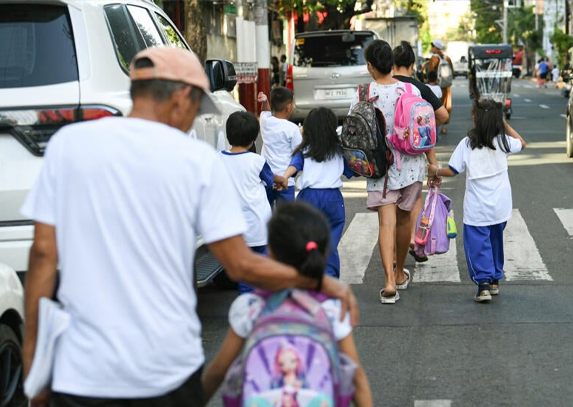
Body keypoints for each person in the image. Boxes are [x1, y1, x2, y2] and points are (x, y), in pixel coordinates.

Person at [20, 47, 357, 407]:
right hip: (165, 371)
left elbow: (42, 256)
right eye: (197, 106)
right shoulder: (196, 160)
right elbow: (241, 264)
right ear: (182, 97)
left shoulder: (69, 145)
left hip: (82, 374)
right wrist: (318, 284)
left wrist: (32, 363)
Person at [201, 202, 373, 407]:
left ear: (270, 252)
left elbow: (219, 371)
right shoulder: (332, 309)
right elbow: (357, 378)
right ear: (324, 252)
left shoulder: (250, 307)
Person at [428, 99, 526, 303]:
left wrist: (435, 170)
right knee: (495, 241)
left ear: (475, 118)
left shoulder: (467, 143)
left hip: (477, 208)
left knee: (477, 245)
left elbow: (453, 171)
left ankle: (483, 285)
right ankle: (495, 280)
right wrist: (505, 125)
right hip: (501, 206)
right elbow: (522, 143)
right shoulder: (503, 141)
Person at [350, 39, 424, 304]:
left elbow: (355, 130)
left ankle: (389, 282)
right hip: (411, 166)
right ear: (391, 64)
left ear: (370, 66)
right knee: (405, 221)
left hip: (380, 168)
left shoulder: (363, 93)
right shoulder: (408, 88)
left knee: (386, 223)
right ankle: (401, 273)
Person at [279, 107, 356, 279]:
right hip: (333, 199)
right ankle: (329, 280)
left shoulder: (304, 150)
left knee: (306, 241)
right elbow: (352, 172)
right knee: (329, 244)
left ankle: (307, 276)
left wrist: (284, 177)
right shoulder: (340, 150)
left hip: (308, 198)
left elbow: (294, 166)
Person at [391, 40, 445, 264]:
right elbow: (443, 116)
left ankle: (394, 256)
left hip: (388, 156)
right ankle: (413, 238)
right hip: (413, 156)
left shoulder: (384, 86)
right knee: (413, 200)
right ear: (413, 65)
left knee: (390, 207)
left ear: (392, 64)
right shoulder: (419, 89)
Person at [219, 111, 284, 295]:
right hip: (259, 227)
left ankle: (247, 307)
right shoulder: (257, 161)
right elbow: (271, 181)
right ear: (253, 140)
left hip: (234, 229)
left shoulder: (218, 159)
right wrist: (280, 183)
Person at [258, 88, 302, 208]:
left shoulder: (265, 122)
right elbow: (299, 152)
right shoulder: (292, 129)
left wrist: (265, 102)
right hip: (285, 180)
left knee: (266, 214)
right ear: (288, 107)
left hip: (267, 179)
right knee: (287, 217)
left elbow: (265, 112)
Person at [427, 39, 454, 134]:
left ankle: (434, 127)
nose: (432, 49)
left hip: (436, 86)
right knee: (446, 106)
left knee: (435, 106)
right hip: (446, 86)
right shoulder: (447, 58)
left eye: (432, 47)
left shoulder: (434, 58)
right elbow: (452, 71)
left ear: (435, 47)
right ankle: (443, 127)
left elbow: (430, 72)